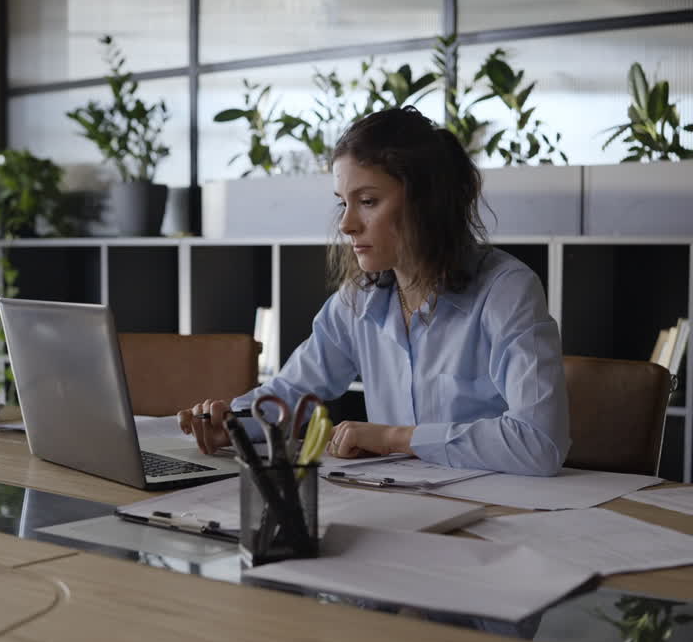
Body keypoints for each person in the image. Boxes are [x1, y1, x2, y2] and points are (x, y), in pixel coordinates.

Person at [179, 106, 570, 475]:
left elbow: (540, 443)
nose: (347, 224)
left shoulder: (506, 290)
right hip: (399, 506)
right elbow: (291, 393)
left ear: (426, 203)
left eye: (367, 201)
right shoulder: (356, 302)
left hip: (497, 518)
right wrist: (232, 423)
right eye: (343, 204)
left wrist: (391, 438)